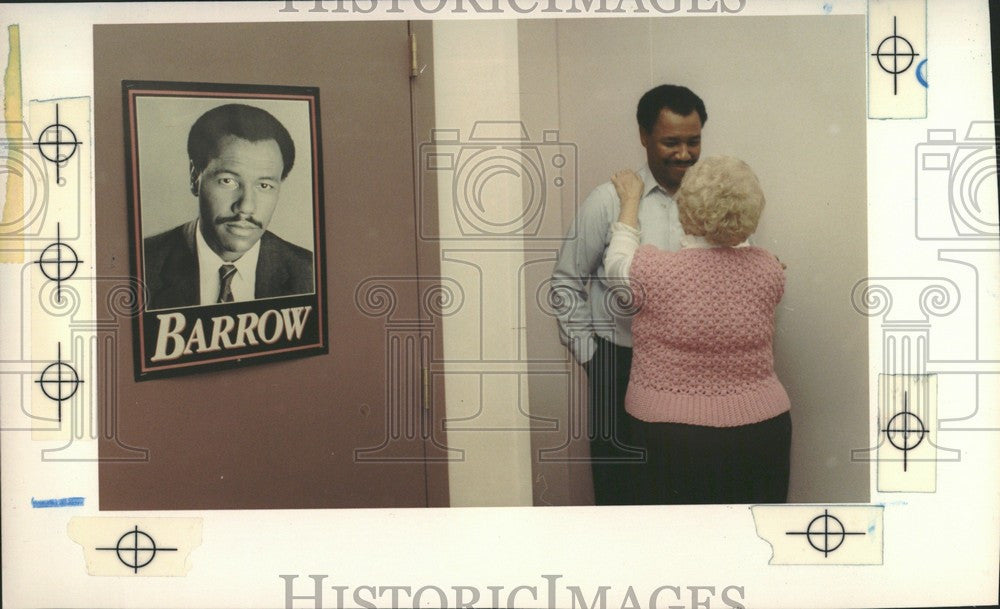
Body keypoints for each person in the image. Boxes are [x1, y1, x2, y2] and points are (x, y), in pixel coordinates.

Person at [550, 84, 706, 505]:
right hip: (617, 364)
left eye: (693, 141)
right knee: (621, 493)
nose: (684, 153)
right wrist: (593, 358)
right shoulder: (609, 200)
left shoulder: (710, 201)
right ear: (643, 136)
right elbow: (565, 282)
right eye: (671, 142)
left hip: (687, 370)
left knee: (681, 495)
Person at [604, 156, 791, 504]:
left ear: (685, 210)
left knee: (678, 545)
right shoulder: (770, 268)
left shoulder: (654, 271)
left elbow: (615, 264)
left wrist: (630, 203)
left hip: (669, 434)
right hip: (762, 433)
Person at [143, 103, 313, 310]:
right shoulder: (141, 266)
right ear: (195, 178)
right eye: (228, 181)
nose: (246, 207)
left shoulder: (310, 273)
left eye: (264, 185)